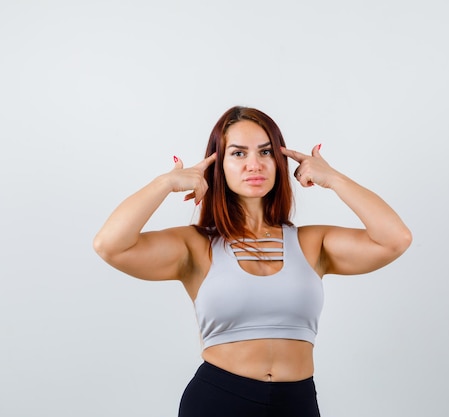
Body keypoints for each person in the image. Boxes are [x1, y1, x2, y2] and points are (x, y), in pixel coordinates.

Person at [93, 106, 412, 417]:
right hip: (218, 401)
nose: (254, 164)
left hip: (297, 403)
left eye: (265, 152)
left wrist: (334, 179)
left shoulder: (312, 243)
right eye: (238, 153)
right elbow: (110, 246)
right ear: (217, 165)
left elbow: (395, 239)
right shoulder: (195, 245)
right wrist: (164, 184)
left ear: (279, 161)